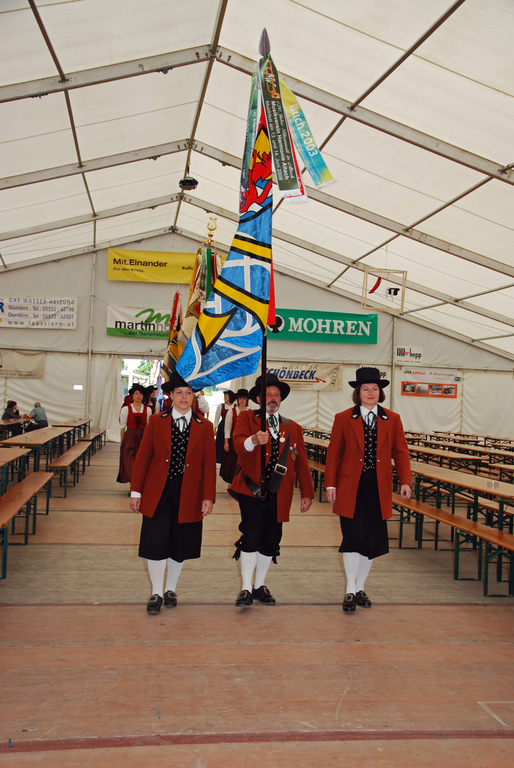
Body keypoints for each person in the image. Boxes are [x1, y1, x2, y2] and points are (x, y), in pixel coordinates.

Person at [325, 367, 412, 613]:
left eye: (375, 388)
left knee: (372, 541)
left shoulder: (392, 419)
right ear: (358, 392)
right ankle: (350, 590)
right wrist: (330, 484)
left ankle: (360, 588)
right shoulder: (343, 418)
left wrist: (405, 481)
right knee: (353, 538)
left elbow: (401, 452)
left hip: (378, 488)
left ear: (380, 392)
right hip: (350, 487)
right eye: (366, 388)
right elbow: (333, 453)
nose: (371, 392)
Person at [130, 372, 216, 615]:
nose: (184, 397)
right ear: (170, 395)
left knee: (180, 542)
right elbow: (143, 458)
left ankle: (170, 589)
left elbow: (209, 464)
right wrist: (136, 492)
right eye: (179, 392)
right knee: (155, 540)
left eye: (188, 392)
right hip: (157, 490)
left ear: (194, 396)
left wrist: (208, 496)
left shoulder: (205, 426)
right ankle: (156, 591)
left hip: (189, 491)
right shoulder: (156, 421)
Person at [229, 373, 314, 607]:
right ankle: (246, 588)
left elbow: (301, 462)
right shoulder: (247, 418)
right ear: (258, 398)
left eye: (276, 394)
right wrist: (253, 440)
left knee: (271, 539)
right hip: (251, 490)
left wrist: (307, 492)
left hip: (280, 493)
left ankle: (259, 585)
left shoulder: (293, 427)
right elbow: (238, 444)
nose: (273, 398)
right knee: (251, 536)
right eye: (268, 394)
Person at [117, 384, 150, 485]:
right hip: (129, 437)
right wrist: (122, 442)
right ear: (132, 396)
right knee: (129, 461)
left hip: (142, 436)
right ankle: (132, 485)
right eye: (136, 394)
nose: (138, 396)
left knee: (140, 461)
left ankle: (137, 485)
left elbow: (148, 426)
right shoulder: (126, 409)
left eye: (140, 394)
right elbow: (123, 427)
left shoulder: (148, 410)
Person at [220, 388, 249, 483]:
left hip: (246, 440)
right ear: (237, 399)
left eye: (244, 398)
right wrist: (226, 442)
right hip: (233, 440)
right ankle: (231, 482)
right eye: (240, 398)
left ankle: (242, 482)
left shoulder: (250, 412)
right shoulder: (232, 411)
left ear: (247, 400)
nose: (242, 400)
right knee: (232, 461)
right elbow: (227, 428)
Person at [214, 390, 235, 464]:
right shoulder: (221, 406)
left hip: (232, 426)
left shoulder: (235, 406)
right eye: (225, 396)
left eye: (227, 396)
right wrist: (215, 428)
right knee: (221, 442)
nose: (225, 397)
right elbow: (216, 418)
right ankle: (220, 458)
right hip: (222, 426)